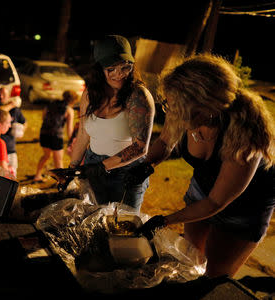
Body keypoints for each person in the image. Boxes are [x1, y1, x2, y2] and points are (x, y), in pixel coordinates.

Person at [136, 54, 275, 278]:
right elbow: (165, 142)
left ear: (206, 106)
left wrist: (164, 220)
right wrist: (144, 165)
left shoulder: (246, 137)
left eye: (175, 106)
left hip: (243, 210)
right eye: (168, 104)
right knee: (190, 260)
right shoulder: (180, 109)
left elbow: (215, 202)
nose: (170, 111)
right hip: (201, 192)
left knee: (214, 275)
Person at [69, 35, 155, 210]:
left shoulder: (138, 96)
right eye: (111, 69)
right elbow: (84, 134)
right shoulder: (89, 95)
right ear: (99, 69)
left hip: (127, 172)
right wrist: (71, 169)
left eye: (125, 67)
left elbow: (140, 147)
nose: (120, 74)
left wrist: (101, 167)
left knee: (123, 228)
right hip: (93, 165)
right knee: (93, 222)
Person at [33, 90, 78, 182]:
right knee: (58, 161)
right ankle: (61, 181)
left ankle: (37, 175)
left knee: (46, 156)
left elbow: (43, 117)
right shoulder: (69, 110)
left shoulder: (51, 104)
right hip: (56, 137)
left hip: (44, 134)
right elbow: (69, 130)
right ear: (73, 101)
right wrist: (72, 141)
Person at [0, 86, 27, 177]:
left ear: (9, 96)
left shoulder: (16, 111)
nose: (1, 96)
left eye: (4, 94)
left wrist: (21, 130)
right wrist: (11, 105)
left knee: (11, 176)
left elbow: (24, 122)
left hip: (10, 149)